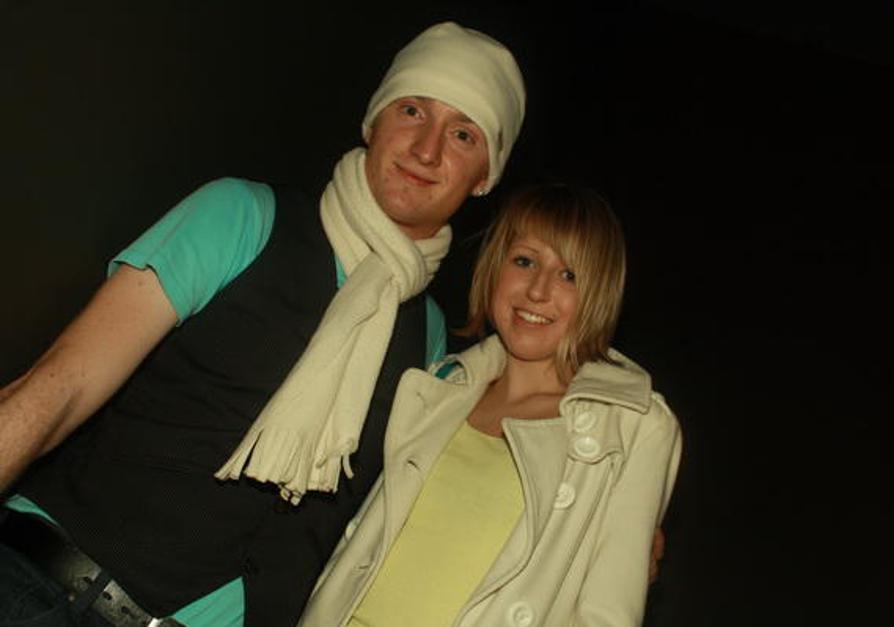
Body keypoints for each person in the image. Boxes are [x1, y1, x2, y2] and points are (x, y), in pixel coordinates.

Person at [0, 22, 525, 627]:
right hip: (42, 592)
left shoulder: (429, 339)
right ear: (373, 122)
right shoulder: (241, 216)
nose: (427, 149)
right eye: (412, 110)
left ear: (484, 177)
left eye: (462, 134)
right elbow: (59, 387)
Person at [301, 183, 683, 626]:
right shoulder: (441, 386)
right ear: (495, 265)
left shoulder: (634, 425)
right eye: (525, 261)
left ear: (600, 292)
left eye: (569, 275)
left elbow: (606, 614)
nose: (538, 290)